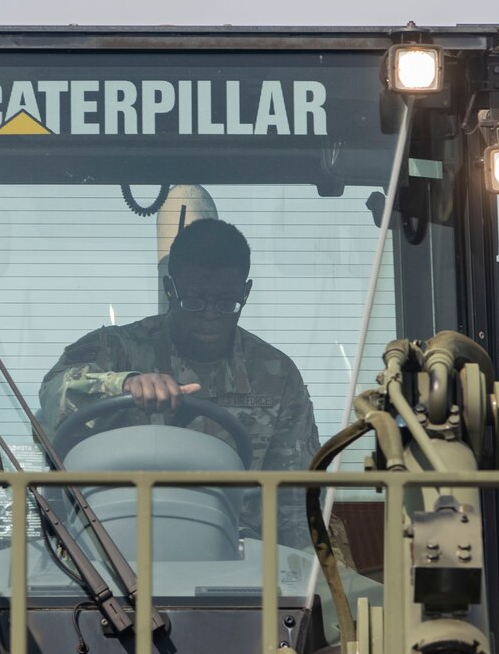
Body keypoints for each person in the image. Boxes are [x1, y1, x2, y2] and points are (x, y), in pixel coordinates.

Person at [39, 217, 317, 541]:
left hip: (234, 558)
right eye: (194, 301)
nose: (210, 314)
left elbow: (296, 501)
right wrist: (124, 384)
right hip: (108, 547)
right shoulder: (114, 347)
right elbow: (54, 391)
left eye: (227, 303)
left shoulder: (277, 375)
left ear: (246, 292)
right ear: (169, 289)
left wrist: (304, 581)